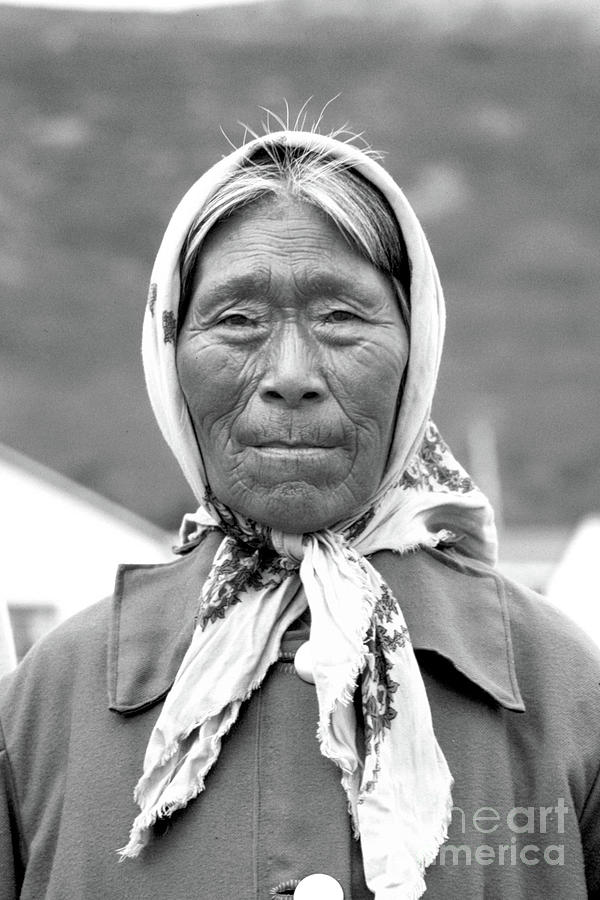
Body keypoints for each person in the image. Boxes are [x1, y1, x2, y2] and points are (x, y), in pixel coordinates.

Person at [1, 128, 599, 900]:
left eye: (342, 317)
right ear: (168, 351)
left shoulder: (563, 697)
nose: (290, 375)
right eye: (238, 320)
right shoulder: (48, 710)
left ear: (415, 353)